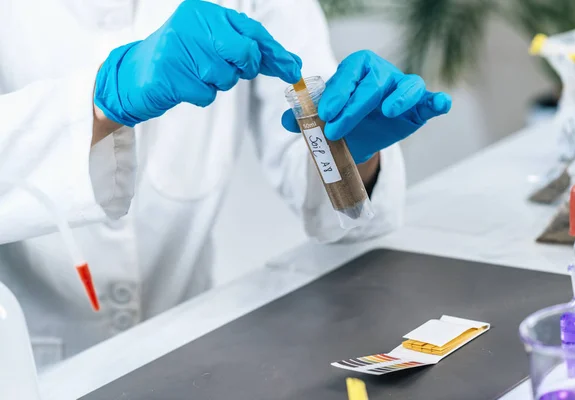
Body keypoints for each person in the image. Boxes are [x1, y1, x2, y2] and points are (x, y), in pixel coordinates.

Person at [0, 0, 451, 367]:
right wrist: (102, 103)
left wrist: (349, 150)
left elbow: (309, 141)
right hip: (27, 367)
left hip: (188, 346)